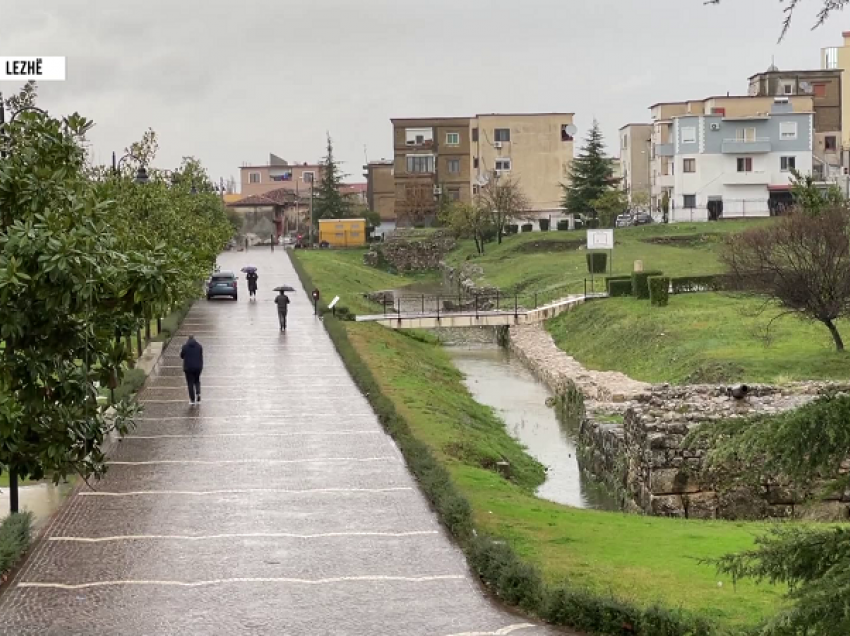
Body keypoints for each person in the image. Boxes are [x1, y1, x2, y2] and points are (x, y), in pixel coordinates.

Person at [180, 335, 204, 405]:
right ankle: (198, 393)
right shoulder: (199, 346)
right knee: (197, 381)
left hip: (188, 368)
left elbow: (181, 356)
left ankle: (192, 400)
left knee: (190, 383)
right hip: (198, 367)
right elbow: (200, 356)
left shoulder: (185, 347)